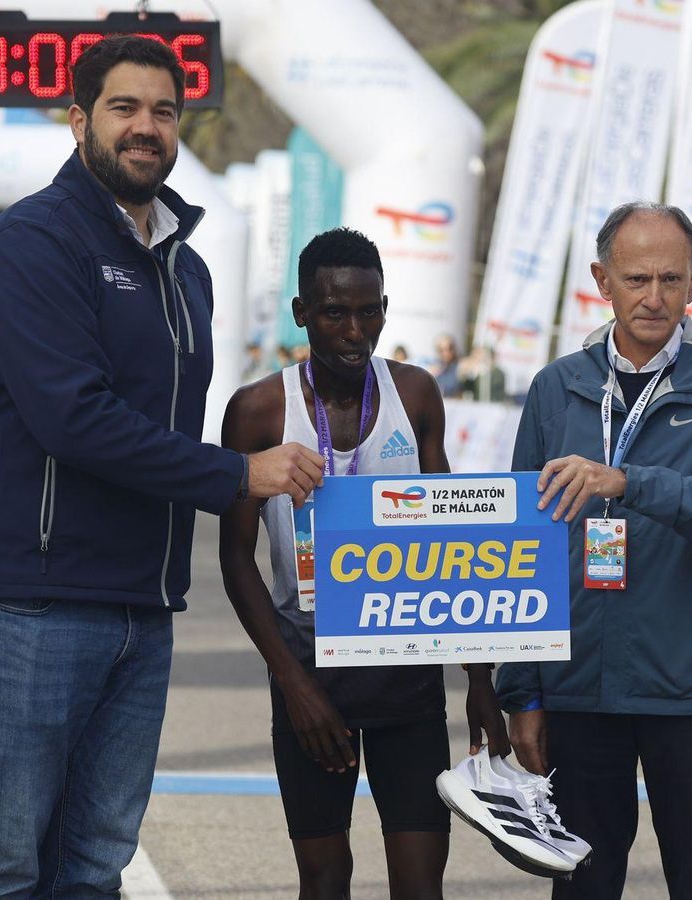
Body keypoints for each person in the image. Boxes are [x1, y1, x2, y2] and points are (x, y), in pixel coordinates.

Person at [0, 36, 325, 898]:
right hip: (25, 600)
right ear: (79, 122)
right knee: (1, 865)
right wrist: (238, 475)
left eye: (163, 110)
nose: (146, 127)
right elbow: (74, 418)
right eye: (124, 108)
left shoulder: (185, 270)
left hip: (141, 606)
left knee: (94, 865)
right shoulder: (35, 242)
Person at [497, 202, 692, 900]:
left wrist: (630, 483)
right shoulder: (557, 388)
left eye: (670, 279)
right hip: (579, 688)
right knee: (585, 885)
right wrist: (522, 690)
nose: (654, 297)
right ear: (601, 279)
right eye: (635, 279)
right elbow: (520, 550)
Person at [219, 228, 509, 900]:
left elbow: (451, 542)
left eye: (369, 311)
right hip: (310, 675)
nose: (354, 331)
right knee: (324, 879)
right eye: (333, 313)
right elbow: (236, 560)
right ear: (301, 313)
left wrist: (482, 682)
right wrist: (293, 685)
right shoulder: (260, 411)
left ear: (385, 307)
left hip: (406, 675)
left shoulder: (414, 395)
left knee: (419, 883)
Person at [431, 332, 462, 399]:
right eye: (441, 350)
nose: (446, 353)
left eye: (449, 349)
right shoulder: (434, 367)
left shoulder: (459, 366)